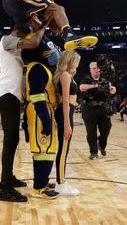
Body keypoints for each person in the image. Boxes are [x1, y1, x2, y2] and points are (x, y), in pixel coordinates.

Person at [0, 23, 46, 202]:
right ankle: (4, 188)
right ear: (17, 33)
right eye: (25, 36)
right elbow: (34, 43)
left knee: (13, 139)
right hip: (6, 93)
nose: (26, 40)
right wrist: (42, 29)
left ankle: (9, 178)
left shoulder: (14, 48)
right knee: (10, 139)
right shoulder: (7, 40)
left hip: (12, 95)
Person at [21, 27, 61, 199]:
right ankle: (39, 188)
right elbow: (36, 96)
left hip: (42, 109)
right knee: (44, 149)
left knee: (44, 149)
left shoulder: (39, 67)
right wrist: (45, 119)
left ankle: (41, 181)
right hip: (40, 110)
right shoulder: (37, 67)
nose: (51, 51)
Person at [53, 51, 81, 196]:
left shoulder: (67, 75)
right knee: (63, 150)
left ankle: (61, 181)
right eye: (76, 61)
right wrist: (67, 123)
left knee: (64, 149)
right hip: (65, 112)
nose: (77, 64)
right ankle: (61, 184)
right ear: (70, 61)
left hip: (68, 111)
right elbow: (64, 100)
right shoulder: (64, 75)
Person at [79, 62, 117, 160]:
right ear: (90, 70)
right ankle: (93, 152)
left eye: (97, 68)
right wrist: (95, 86)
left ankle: (101, 144)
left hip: (102, 108)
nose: (96, 70)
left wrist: (112, 89)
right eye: (94, 68)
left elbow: (112, 90)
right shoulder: (86, 79)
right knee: (91, 132)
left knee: (107, 127)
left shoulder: (105, 80)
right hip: (89, 108)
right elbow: (82, 88)